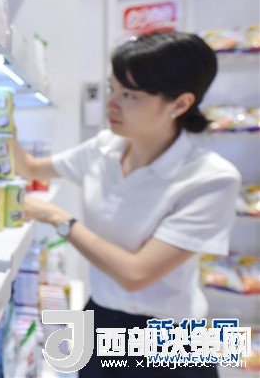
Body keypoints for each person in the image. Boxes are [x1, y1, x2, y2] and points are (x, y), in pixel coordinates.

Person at [14, 31, 241, 377]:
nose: (111, 103)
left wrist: (58, 218)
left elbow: (136, 275)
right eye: (112, 89)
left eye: (130, 95)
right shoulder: (104, 147)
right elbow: (30, 168)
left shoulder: (212, 179)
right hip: (100, 311)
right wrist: (2, 123)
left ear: (180, 104)